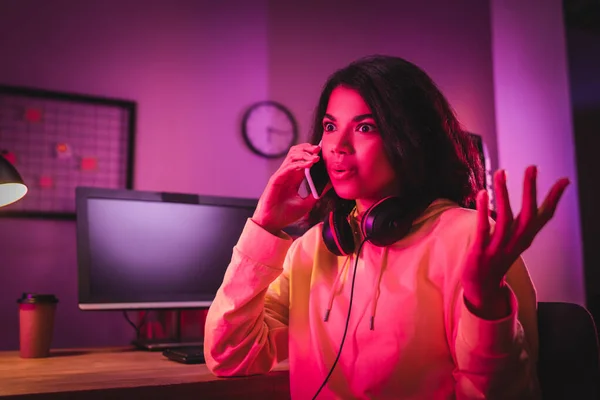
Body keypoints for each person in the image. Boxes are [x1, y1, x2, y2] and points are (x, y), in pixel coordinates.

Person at [203, 55, 569, 399]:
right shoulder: (313, 249)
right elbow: (230, 356)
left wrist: (486, 305)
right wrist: (264, 226)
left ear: (410, 138)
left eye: (365, 127)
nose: (338, 147)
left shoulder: (469, 237)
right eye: (330, 126)